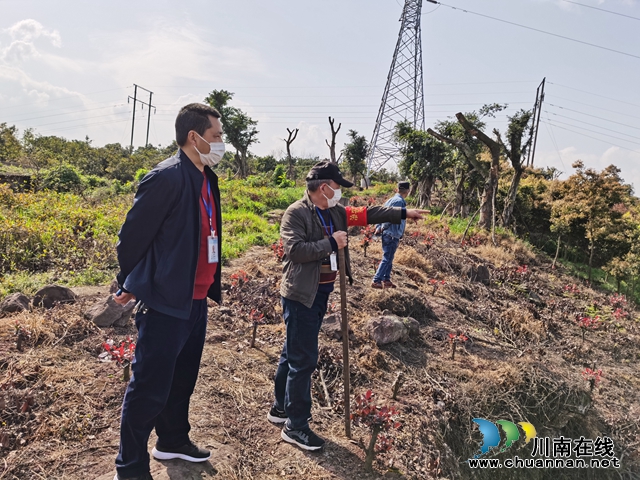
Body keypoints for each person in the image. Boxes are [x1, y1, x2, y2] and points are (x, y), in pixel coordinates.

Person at [267, 162, 428, 451]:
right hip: (300, 294)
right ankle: (296, 426)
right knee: (303, 359)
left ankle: (280, 409)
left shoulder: (336, 212)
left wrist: (404, 212)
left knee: (292, 351)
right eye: (337, 186)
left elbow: (370, 214)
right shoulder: (297, 213)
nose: (339, 191)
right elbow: (295, 251)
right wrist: (330, 243)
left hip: (320, 292)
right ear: (323, 186)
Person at [111, 103, 225, 480]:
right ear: (194, 137)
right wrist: (127, 281)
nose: (221, 143)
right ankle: (129, 467)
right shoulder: (167, 177)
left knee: (182, 377)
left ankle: (173, 440)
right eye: (216, 136)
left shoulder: (206, 177)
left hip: (195, 299)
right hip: (165, 301)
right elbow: (133, 237)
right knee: (148, 387)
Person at [371, 181, 419, 289]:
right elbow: (391, 216)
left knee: (389, 257)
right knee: (387, 258)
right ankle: (376, 280)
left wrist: (379, 226)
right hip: (391, 234)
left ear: (397, 189)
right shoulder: (399, 202)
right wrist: (383, 227)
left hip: (389, 233)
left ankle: (386, 279)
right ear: (408, 191)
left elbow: (380, 214)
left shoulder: (390, 200)